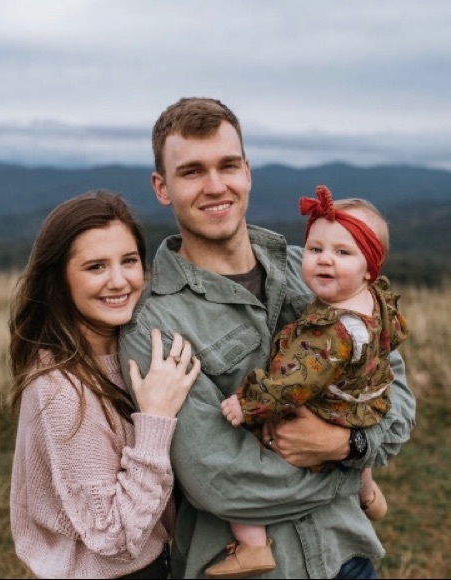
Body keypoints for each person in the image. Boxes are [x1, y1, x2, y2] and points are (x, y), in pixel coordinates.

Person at [117, 97, 416, 579]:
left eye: (227, 165)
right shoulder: (155, 325)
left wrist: (349, 444)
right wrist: (352, 471)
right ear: (162, 187)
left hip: (347, 556)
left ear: (247, 171)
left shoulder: (311, 269)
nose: (216, 186)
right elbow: (221, 480)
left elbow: (394, 395)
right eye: (192, 171)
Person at [206, 185, 409, 578]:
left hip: (329, 407)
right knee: (355, 435)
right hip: (366, 402)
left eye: (343, 253)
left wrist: (246, 403)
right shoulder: (375, 298)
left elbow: (290, 383)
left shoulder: (329, 334)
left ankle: (252, 544)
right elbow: (396, 333)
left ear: (369, 266)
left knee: (246, 445)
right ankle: (367, 491)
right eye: (315, 249)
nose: (325, 260)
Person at [8, 190, 201, 579]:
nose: (119, 281)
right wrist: (156, 419)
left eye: (128, 261)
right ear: (60, 278)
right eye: (96, 267)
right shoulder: (60, 388)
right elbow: (114, 537)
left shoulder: (135, 350)